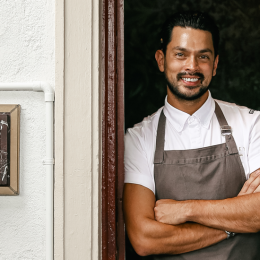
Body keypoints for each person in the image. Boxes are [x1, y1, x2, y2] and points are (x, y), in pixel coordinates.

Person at [123, 11, 260, 259]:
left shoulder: (252, 124)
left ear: (215, 65)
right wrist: (234, 223)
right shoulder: (139, 139)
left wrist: (186, 210)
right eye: (181, 54)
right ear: (161, 60)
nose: (192, 67)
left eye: (203, 57)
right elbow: (144, 239)